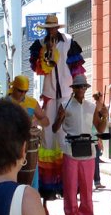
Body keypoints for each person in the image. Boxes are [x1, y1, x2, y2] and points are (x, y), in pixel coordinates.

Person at [29, 14, 85, 202]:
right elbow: (39, 69)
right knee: (48, 136)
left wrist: (78, 90)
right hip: (50, 94)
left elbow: (76, 67)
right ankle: (49, 187)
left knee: (67, 134)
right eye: (48, 28)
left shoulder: (69, 41)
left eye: (53, 27)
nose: (51, 30)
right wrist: (48, 53)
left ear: (57, 28)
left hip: (67, 94)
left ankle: (70, 184)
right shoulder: (40, 44)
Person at [53, 75, 108, 215]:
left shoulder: (92, 107)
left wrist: (105, 116)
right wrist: (59, 118)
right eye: (78, 87)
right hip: (71, 148)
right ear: (74, 89)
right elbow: (54, 128)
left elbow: (100, 129)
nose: (81, 89)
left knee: (86, 187)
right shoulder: (65, 105)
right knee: (70, 186)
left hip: (88, 149)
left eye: (83, 86)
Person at [7, 75, 49, 191]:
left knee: (31, 183)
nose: (22, 94)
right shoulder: (4, 102)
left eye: (25, 91)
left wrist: (36, 121)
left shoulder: (32, 102)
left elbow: (46, 121)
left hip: (29, 148)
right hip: (10, 148)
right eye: (20, 91)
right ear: (13, 88)